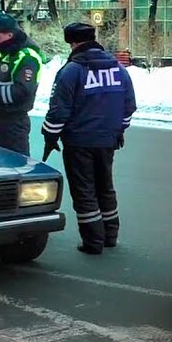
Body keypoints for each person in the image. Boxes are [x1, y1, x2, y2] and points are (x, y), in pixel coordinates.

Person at [43, 22, 136, 254]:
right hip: (108, 141)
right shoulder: (117, 68)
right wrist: (119, 131)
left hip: (79, 142)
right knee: (105, 187)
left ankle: (93, 242)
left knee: (84, 191)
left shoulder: (71, 71)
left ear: (72, 43)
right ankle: (110, 234)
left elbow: (58, 111)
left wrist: (50, 135)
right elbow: (129, 106)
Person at [0, 13, 45, 156]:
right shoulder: (3, 54)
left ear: (10, 35)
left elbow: (22, 90)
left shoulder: (26, 56)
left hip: (14, 122)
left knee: (16, 166)